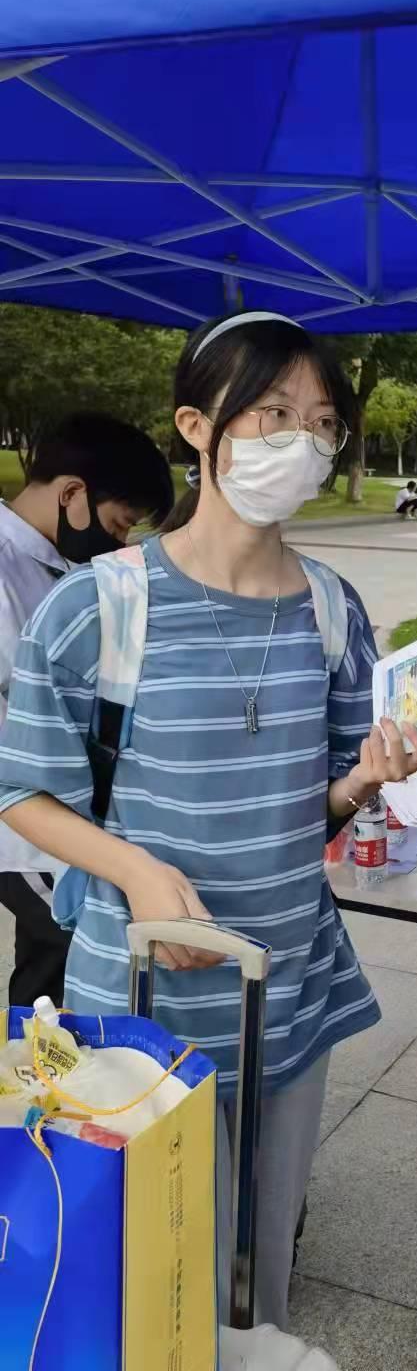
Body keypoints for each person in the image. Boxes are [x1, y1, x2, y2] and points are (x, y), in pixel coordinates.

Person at [0, 311, 417, 1330]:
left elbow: (317, 798)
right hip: (142, 992)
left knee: (258, 1262)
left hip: (286, 988)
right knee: (144, 1275)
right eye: (272, 413)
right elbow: (23, 791)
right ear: (198, 426)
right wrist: (137, 871)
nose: (301, 442)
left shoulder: (332, 607)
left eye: (321, 423)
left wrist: (365, 782)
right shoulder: (100, 603)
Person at [0, 413, 174, 1007]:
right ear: (72, 493)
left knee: (54, 964)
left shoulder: (64, 562)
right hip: (24, 821)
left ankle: (43, 1082)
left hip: (72, 807)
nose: (123, 543)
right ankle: (43, 1086)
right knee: (68, 949)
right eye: (119, 523)